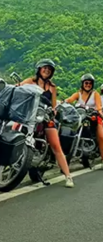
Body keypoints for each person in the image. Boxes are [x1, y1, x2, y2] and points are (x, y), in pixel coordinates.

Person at [17, 59, 74, 188]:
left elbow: (53, 107)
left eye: (49, 69)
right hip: (29, 115)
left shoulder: (52, 87)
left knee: (56, 145)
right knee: (14, 128)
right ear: (39, 69)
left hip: (45, 116)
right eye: (44, 68)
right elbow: (17, 89)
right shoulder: (30, 81)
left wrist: (53, 112)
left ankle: (68, 176)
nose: (47, 70)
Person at [65, 74, 103, 170]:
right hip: (80, 117)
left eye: (90, 83)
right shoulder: (78, 93)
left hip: (93, 117)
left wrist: (100, 112)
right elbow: (70, 100)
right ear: (82, 84)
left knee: (101, 136)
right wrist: (63, 103)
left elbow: (99, 106)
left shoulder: (95, 94)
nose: (88, 85)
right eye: (86, 83)